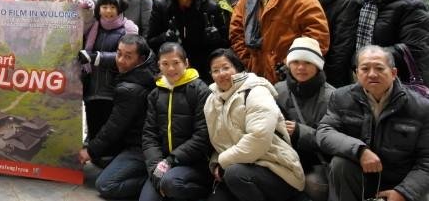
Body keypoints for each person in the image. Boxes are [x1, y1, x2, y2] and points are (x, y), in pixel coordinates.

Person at [317, 45, 429, 201]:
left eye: (379, 68)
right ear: (356, 74)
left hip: (402, 182)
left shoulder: (421, 107)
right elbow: (325, 132)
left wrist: (403, 193)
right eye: (364, 69)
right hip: (362, 178)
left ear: (393, 72)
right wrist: (360, 150)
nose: (372, 74)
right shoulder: (341, 97)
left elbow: (426, 161)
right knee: (340, 164)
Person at [204, 48, 305, 201]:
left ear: (237, 68)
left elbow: (259, 139)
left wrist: (222, 161)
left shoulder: (256, 91)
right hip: (237, 167)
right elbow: (220, 142)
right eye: (215, 70)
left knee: (235, 174)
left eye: (226, 67)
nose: (221, 73)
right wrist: (215, 162)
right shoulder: (211, 101)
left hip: (276, 169)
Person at [81, 35, 157, 200]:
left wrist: (90, 151)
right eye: (118, 53)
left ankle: (153, 180)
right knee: (102, 161)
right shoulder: (147, 68)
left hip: (140, 148)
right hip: (136, 142)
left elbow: (114, 127)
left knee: (105, 184)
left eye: (128, 57)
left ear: (140, 59)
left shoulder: (131, 89)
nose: (120, 60)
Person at [140, 42, 212, 201]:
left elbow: (202, 136)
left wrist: (171, 161)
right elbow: (149, 135)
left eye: (176, 63)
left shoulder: (201, 90)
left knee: (171, 183)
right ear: (159, 65)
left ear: (186, 63)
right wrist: (155, 169)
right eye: (165, 64)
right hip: (163, 163)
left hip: (194, 163)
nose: (171, 69)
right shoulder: (155, 94)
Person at [273, 37, 334, 201]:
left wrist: (300, 131)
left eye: (307, 62)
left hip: (316, 163)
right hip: (284, 160)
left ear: (317, 65)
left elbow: (335, 141)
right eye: (296, 62)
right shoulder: (277, 91)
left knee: (312, 184)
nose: (301, 67)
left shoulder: (332, 96)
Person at [147, 0, 228, 83]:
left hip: (204, 69)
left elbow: (225, 44)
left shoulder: (211, 6)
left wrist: (216, 38)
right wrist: (165, 38)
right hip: (172, 68)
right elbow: (150, 41)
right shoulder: (161, 6)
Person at [355, 0, 429, 83]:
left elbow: (415, 48)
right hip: (366, 75)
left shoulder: (411, 5)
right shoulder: (364, 0)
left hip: (398, 79)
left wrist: (371, 57)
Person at [78, 0, 138, 144]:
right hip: (92, 87)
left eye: (112, 7)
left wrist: (95, 57)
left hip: (114, 88)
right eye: (104, 7)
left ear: (119, 9)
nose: (108, 11)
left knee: (110, 127)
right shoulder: (94, 28)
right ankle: (93, 153)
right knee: (93, 123)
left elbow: (125, 57)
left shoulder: (127, 30)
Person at [301, 0, 359, 87]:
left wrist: (327, 77)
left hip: (329, 73)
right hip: (300, 65)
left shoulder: (345, 0)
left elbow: (342, 48)